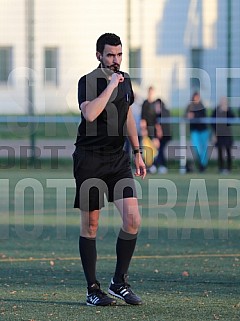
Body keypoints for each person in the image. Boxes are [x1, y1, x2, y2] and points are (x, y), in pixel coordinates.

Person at [72, 33, 146, 307]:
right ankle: (92, 289)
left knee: (133, 219)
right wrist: (111, 84)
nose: (116, 60)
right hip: (89, 159)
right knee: (91, 225)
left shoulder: (126, 81)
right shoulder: (88, 81)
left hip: (118, 161)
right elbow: (90, 113)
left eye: (119, 55)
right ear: (99, 55)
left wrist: (137, 153)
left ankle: (119, 282)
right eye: (110, 55)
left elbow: (127, 116)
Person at [185, 92, 209, 172]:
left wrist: (194, 116)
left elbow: (203, 116)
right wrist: (187, 116)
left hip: (203, 130)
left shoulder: (202, 106)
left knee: (204, 149)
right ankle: (200, 163)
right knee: (197, 148)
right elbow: (185, 115)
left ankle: (203, 165)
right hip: (194, 131)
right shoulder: (190, 106)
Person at [211, 97, 235, 174]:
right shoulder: (216, 110)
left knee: (228, 151)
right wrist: (214, 133)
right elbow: (212, 122)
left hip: (227, 134)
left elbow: (232, 119)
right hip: (219, 133)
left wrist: (227, 111)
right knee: (220, 151)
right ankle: (221, 168)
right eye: (222, 101)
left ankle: (229, 168)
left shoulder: (229, 109)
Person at [140, 86, 160, 171]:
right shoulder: (145, 103)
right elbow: (143, 118)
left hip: (153, 129)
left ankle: (152, 165)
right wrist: (143, 129)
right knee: (147, 147)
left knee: (155, 147)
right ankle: (148, 166)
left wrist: (159, 129)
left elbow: (157, 118)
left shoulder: (155, 103)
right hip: (147, 129)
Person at [150, 98, 172, 174]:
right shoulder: (155, 113)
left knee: (161, 150)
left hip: (165, 136)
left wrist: (160, 131)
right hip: (159, 137)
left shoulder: (165, 112)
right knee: (160, 151)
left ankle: (155, 166)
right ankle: (160, 166)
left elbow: (163, 125)